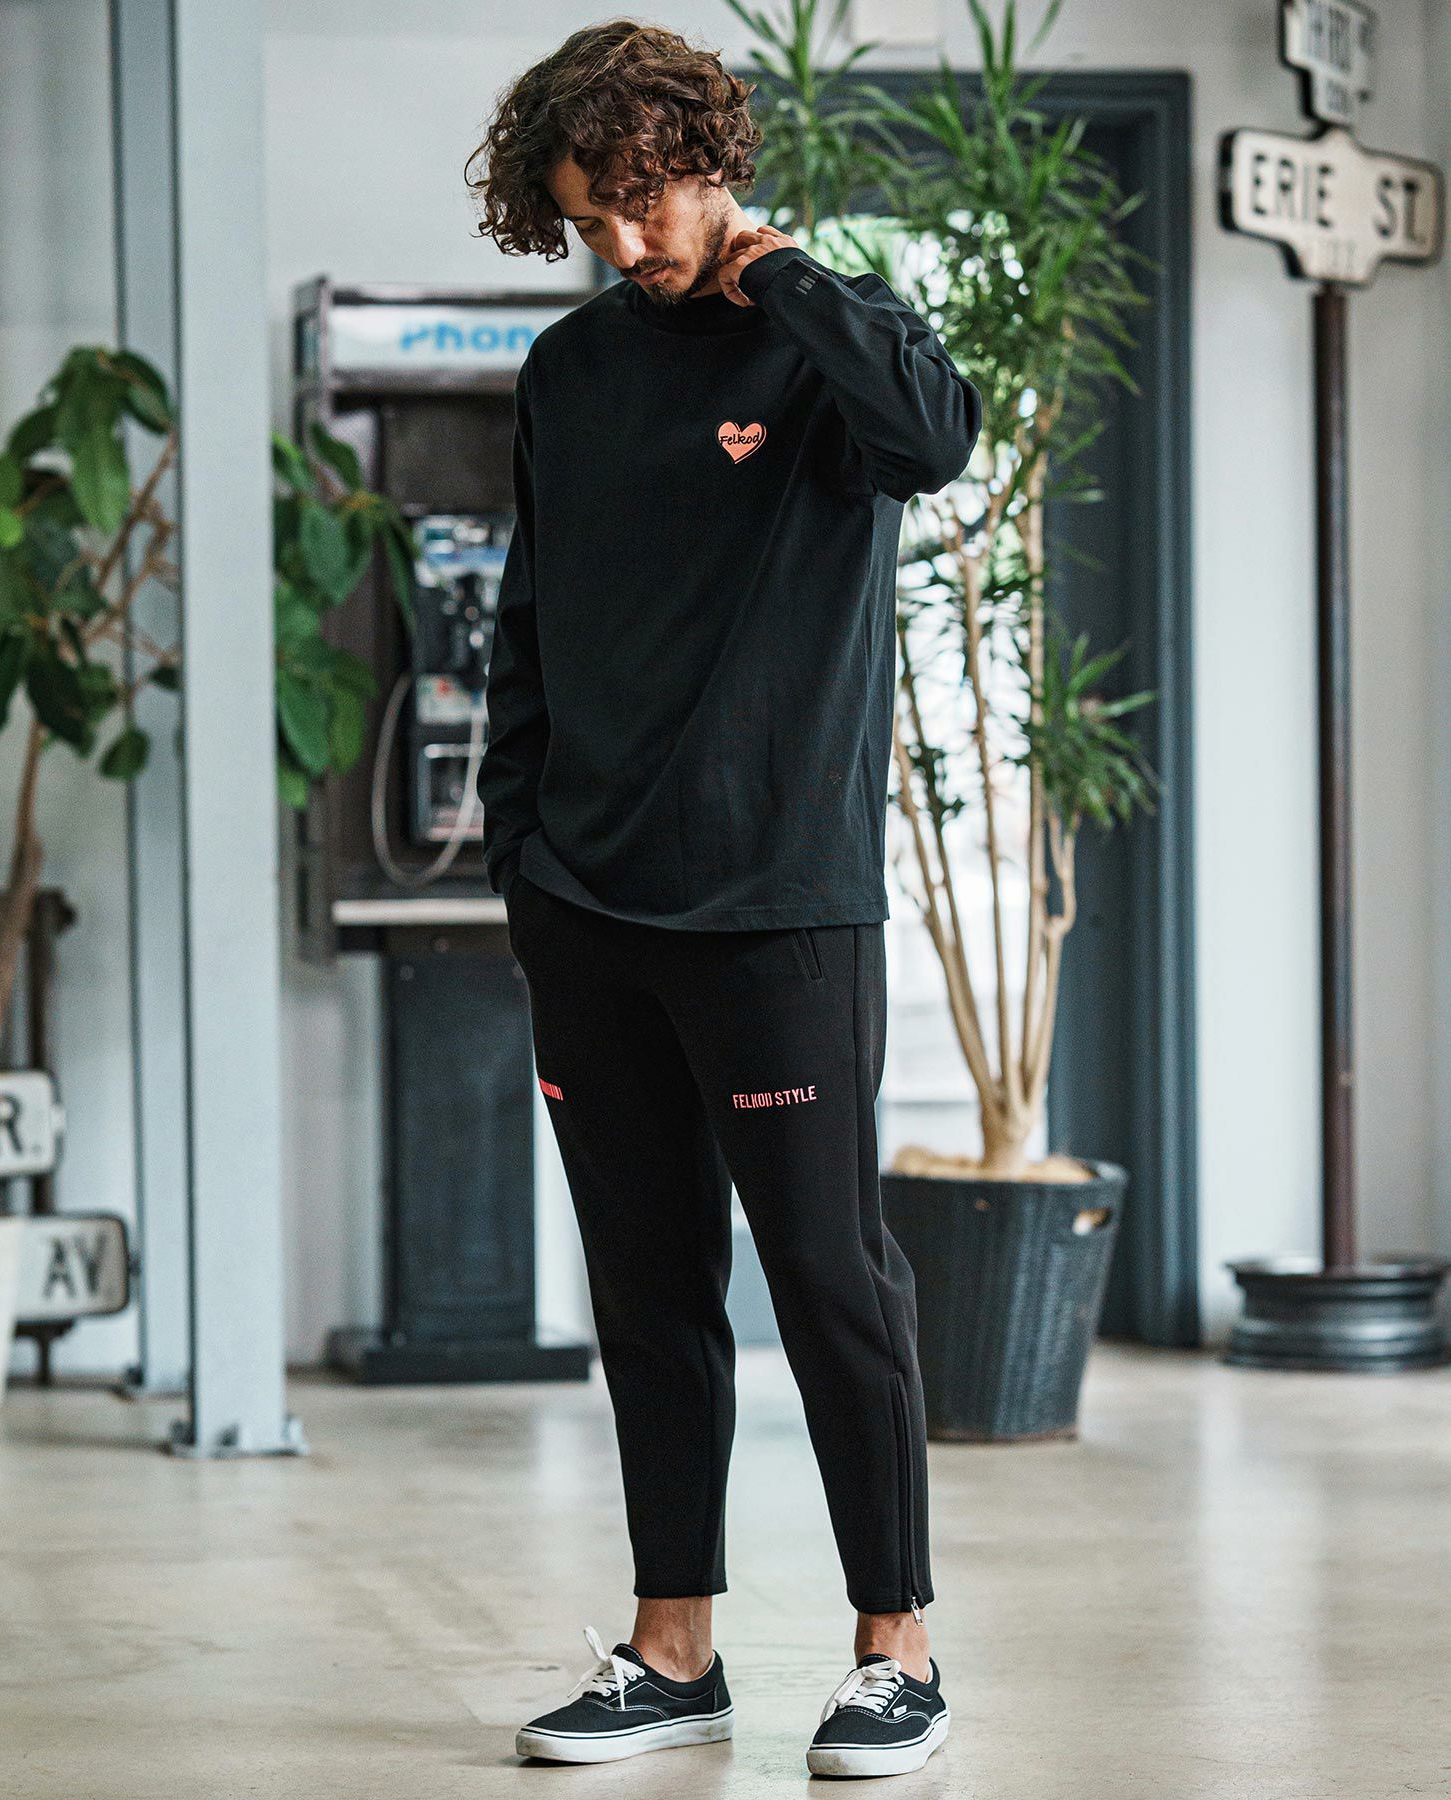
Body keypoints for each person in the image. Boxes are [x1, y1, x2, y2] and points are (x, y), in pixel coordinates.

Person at [465, 16, 981, 1780]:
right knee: (646, 1286)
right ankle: (673, 1650)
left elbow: (936, 437)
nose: (621, 242)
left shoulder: (829, 344)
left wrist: (787, 274)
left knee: (830, 1277)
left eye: (640, 200)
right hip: (588, 907)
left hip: (778, 906)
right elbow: (530, 624)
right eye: (585, 218)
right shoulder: (568, 372)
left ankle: (896, 1650)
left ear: (705, 159)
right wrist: (520, 857)